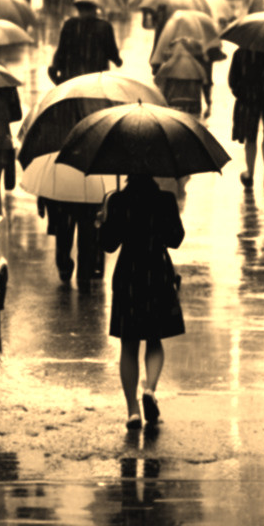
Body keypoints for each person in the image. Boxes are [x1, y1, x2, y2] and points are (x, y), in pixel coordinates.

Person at [98, 174, 185, 429]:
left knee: (129, 344)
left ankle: (132, 411)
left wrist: (105, 221)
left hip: (128, 275)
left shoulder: (117, 200)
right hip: (156, 272)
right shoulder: (165, 200)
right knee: (154, 339)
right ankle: (150, 389)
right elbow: (176, 239)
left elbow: (109, 244)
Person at [228, 48, 264, 188]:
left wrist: (242, 91)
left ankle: (250, 173)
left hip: (248, 99)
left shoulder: (240, 53)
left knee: (250, 136)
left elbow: (232, 80)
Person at [49, 0, 122, 83]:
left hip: (71, 79)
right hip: (96, 79)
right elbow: (111, 52)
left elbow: (61, 51)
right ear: (94, 9)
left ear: (78, 10)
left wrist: (55, 69)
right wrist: (118, 61)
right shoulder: (104, 26)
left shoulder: (69, 24)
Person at [37, 196, 103, 287]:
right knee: (83, 239)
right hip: (83, 203)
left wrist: (42, 202)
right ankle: (81, 273)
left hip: (69, 202)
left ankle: (71, 269)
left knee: (69, 238)